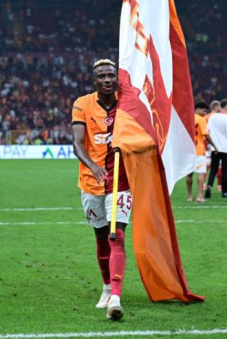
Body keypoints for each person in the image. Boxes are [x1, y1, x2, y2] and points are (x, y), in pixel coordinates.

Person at [71, 59, 129, 321]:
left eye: (111, 75)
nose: (107, 80)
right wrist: (93, 165)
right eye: (102, 76)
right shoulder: (82, 103)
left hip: (121, 180)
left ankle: (115, 296)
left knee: (116, 236)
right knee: (101, 236)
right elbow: (77, 143)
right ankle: (106, 286)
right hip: (91, 181)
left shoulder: (128, 103)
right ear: (94, 81)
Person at [205, 99, 227, 199]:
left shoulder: (212, 117)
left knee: (213, 170)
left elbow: (208, 132)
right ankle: (224, 192)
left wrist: (212, 145)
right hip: (226, 149)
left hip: (215, 148)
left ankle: (209, 187)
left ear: (220, 107)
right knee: (225, 171)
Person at [187, 102, 214, 203]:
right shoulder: (201, 120)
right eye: (204, 110)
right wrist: (214, 146)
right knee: (201, 173)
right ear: (198, 109)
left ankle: (189, 196)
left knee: (189, 174)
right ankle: (199, 196)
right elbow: (206, 135)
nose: (205, 113)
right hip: (199, 149)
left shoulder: (188, 118)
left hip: (188, 150)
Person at [204, 100, 222, 191]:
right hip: (217, 143)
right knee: (218, 164)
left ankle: (203, 184)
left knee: (206, 165)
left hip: (207, 143)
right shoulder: (220, 117)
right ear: (216, 107)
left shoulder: (206, 117)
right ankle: (219, 186)